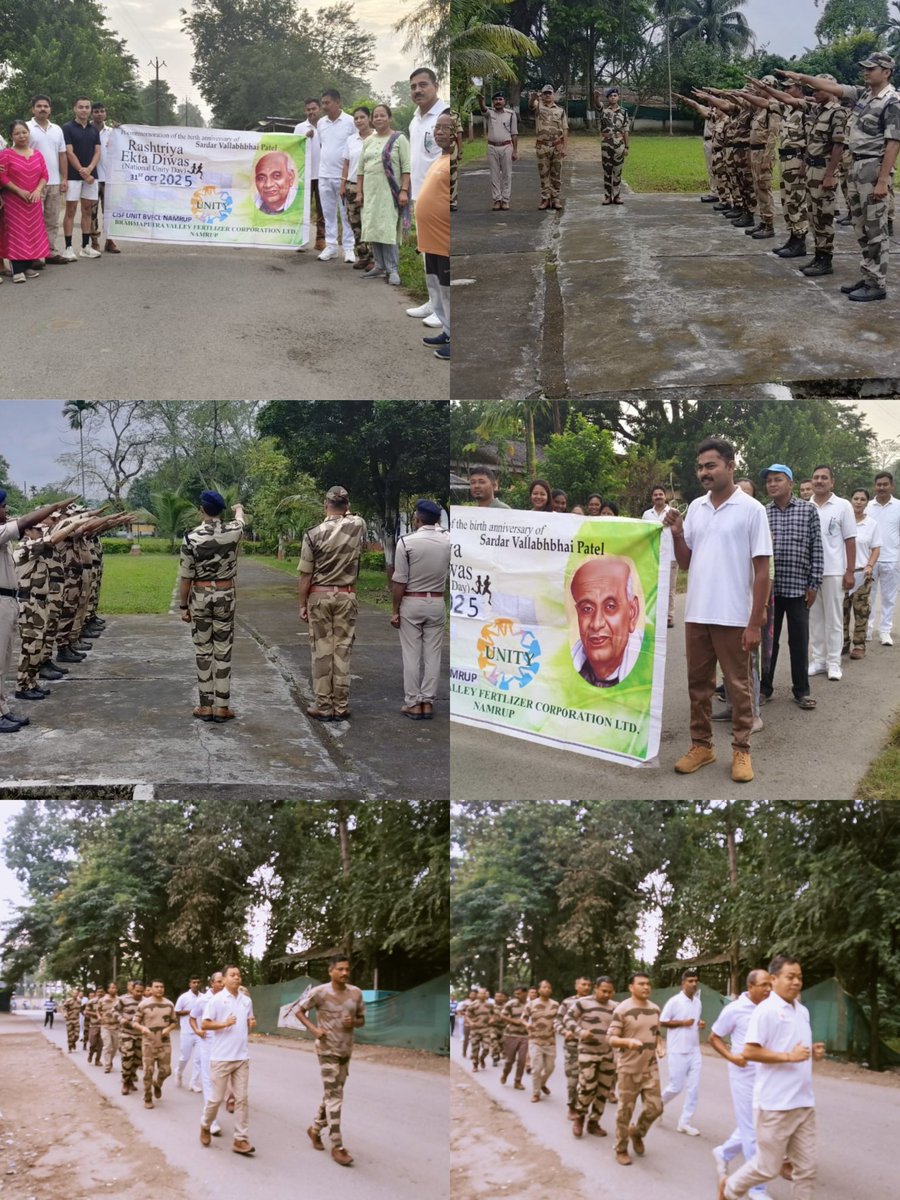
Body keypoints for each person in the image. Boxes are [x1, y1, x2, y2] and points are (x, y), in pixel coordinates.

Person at [664, 437, 772, 784]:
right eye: (700, 467)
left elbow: (761, 571)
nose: (703, 473)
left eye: (710, 465)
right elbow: (685, 562)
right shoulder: (695, 507)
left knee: (739, 686)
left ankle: (741, 749)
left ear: (730, 466)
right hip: (696, 613)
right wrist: (679, 534)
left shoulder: (751, 509)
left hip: (733, 616)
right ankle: (702, 746)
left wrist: (754, 621)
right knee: (698, 685)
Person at [779, 56, 900, 300]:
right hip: (856, 164)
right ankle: (868, 275)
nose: (866, 72)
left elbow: (893, 142)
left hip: (872, 166)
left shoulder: (892, 101)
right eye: (864, 69)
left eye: (871, 69)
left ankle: (877, 283)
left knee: (875, 227)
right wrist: (801, 77)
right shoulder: (864, 95)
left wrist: (883, 180)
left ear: (887, 72)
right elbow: (834, 88)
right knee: (860, 226)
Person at [718, 955, 826, 1200]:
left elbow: (797, 1050)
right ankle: (729, 1188)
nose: (797, 982)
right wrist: (789, 1056)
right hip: (774, 1105)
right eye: (791, 977)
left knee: (806, 1170)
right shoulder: (766, 1011)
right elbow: (749, 1051)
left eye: (799, 977)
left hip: (804, 1103)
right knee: (767, 1168)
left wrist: (813, 1054)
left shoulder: (803, 1011)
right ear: (775, 979)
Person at [0, 490, 78, 733]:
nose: (6, 510)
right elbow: (26, 524)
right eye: (3, 506)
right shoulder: (13, 539)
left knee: (3, 663)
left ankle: (2, 710)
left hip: (10, 601)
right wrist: (56, 505)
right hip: (10, 601)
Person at [297, 486, 367, 721]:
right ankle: (341, 706)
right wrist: (347, 512)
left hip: (319, 595)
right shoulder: (358, 525)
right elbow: (352, 516)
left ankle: (324, 706)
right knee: (342, 651)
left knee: (321, 652)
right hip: (347, 595)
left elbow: (305, 574)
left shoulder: (313, 533)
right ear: (347, 506)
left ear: (325, 505)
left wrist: (302, 604)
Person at [178, 491, 245, 723]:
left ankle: (205, 706)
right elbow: (240, 520)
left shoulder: (190, 538)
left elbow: (185, 577)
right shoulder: (234, 531)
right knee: (223, 650)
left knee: (203, 651)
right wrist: (239, 509)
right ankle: (222, 706)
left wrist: (183, 606)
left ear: (201, 509)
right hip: (225, 595)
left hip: (200, 596)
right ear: (221, 510)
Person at [760, 465, 823, 709]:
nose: (772, 484)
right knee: (768, 643)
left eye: (778, 480)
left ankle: (801, 690)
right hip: (769, 592)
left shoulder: (808, 511)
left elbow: (816, 548)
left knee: (799, 641)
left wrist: (814, 583)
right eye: (769, 481)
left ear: (790, 483)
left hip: (799, 588)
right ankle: (765, 688)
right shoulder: (762, 513)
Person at [295, 954, 365, 1167]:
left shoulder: (356, 993)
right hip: (326, 1050)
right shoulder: (320, 993)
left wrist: (353, 1021)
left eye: (347, 969)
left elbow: (362, 1021)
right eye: (340, 969)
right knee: (335, 1097)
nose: (345, 973)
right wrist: (314, 1029)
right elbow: (298, 1011)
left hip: (346, 1051)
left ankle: (315, 1129)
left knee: (332, 1094)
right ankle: (337, 1145)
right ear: (331, 971)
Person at [709, 969, 774, 1200]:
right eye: (764, 985)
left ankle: (723, 1152)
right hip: (743, 1076)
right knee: (751, 1131)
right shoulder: (734, 1009)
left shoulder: (771, 1007)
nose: (769, 989)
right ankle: (757, 1189)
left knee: (760, 1125)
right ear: (750, 986)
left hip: (768, 1076)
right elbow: (714, 1037)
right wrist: (731, 1057)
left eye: (770, 985)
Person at [391, 499, 449, 720]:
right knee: (433, 654)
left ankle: (413, 702)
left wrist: (395, 610)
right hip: (436, 602)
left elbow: (399, 581)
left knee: (411, 655)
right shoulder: (447, 541)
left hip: (411, 601)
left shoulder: (406, 543)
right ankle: (427, 702)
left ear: (417, 519)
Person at [407, 66, 451, 329]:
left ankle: (445, 309)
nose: (417, 90)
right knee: (427, 254)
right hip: (419, 195)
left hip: (439, 197)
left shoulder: (444, 116)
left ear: (436, 85)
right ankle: (432, 302)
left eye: (423, 85)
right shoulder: (415, 119)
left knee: (443, 256)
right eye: (413, 87)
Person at [608, 971, 665, 1167]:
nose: (646, 987)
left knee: (656, 1108)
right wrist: (627, 1041)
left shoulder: (655, 1009)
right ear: (631, 987)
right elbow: (611, 1038)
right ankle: (621, 1148)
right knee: (625, 1112)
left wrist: (660, 1046)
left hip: (650, 1067)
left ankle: (637, 1133)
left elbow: (656, 1033)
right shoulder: (622, 1009)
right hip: (628, 1069)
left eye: (648, 984)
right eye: (641, 984)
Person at [200, 965, 256, 1155]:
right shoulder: (216, 1000)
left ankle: (240, 1139)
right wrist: (224, 1023)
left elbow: (249, 1020)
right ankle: (205, 1125)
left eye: (239, 975)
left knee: (242, 1099)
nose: (237, 978)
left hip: (241, 1057)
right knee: (215, 1099)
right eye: (232, 975)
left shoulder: (246, 1001)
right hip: (221, 1058)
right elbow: (205, 1023)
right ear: (223, 980)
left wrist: (252, 1022)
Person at [808, 465, 856, 680]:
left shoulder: (843, 506)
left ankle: (834, 663)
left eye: (824, 478)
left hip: (834, 571)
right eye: (816, 477)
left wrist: (849, 571)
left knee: (834, 619)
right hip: (810, 573)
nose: (819, 481)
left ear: (832, 482)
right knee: (815, 619)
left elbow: (850, 539)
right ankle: (818, 660)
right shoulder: (805, 506)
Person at [357, 103, 410, 285]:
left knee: (387, 230)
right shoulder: (368, 141)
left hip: (390, 192)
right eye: (376, 116)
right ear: (372, 120)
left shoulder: (399, 139)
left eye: (382, 115)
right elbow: (361, 170)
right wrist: (359, 192)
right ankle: (379, 266)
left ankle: (393, 269)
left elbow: (406, 168)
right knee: (373, 229)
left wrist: (403, 190)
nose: (379, 118)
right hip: (370, 192)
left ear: (389, 118)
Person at [569, 557, 642, 687]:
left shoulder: (647, 663)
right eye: (587, 609)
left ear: (632, 612)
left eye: (610, 606)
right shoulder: (567, 665)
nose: (597, 624)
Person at [416, 112, 453, 359]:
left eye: (445, 128)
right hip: (431, 241)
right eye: (436, 127)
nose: (439, 132)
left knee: (449, 291)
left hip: (445, 240)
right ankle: (448, 330)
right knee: (437, 287)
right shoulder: (440, 158)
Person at [566, 975, 617, 1138]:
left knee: (603, 1090)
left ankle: (594, 1122)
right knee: (587, 1087)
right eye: (603, 991)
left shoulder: (616, 1007)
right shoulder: (583, 1003)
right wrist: (580, 1031)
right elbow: (567, 1018)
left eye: (610, 992)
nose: (607, 995)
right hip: (587, 1052)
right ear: (596, 989)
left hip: (608, 1053)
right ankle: (579, 1117)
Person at [0, 120, 50, 281]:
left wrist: (37, 190)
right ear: (11, 136)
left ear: (29, 133)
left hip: (33, 202)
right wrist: (19, 190)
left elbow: (44, 175)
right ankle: (17, 270)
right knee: (16, 233)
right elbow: (2, 176)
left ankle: (28, 266)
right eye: (17, 133)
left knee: (32, 232)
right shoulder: (6, 154)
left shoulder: (37, 154)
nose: (21, 136)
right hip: (14, 201)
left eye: (24, 132)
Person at [659, 968, 706, 1136]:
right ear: (683, 983)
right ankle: (657, 1106)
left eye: (695, 981)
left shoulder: (698, 1002)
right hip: (678, 1050)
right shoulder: (674, 1001)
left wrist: (699, 1023)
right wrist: (683, 1023)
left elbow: (694, 1021)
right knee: (676, 1087)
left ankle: (684, 1122)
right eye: (690, 981)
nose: (693, 984)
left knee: (693, 1089)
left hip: (694, 1050)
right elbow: (663, 1021)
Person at [27, 95, 69, 265]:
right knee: (34, 220)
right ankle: (34, 255)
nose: (42, 108)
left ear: (50, 109)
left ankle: (50, 252)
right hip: (33, 184)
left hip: (54, 181)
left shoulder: (57, 129)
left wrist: (64, 177)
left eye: (45, 106)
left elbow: (62, 154)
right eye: (39, 106)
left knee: (52, 220)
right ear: (33, 109)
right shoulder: (26, 128)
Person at [316, 89, 356, 263]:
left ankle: (348, 248)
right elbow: (322, 146)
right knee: (328, 212)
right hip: (324, 175)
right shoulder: (321, 123)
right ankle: (331, 246)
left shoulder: (350, 122)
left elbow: (354, 146)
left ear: (337, 102)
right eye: (323, 103)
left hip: (342, 177)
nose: (324, 106)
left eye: (327, 103)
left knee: (346, 214)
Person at [844, 487, 882, 659]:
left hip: (862, 574)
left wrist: (870, 565)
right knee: (841, 611)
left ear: (867, 503)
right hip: (843, 573)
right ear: (851, 500)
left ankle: (859, 645)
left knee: (861, 612)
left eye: (862, 499)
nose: (858, 502)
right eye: (856, 498)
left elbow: (875, 548)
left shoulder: (872, 524)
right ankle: (843, 642)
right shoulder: (843, 521)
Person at [61, 96, 101, 260]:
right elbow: (69, 152)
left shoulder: (94, 130)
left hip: (92, 176)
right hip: (72, 176)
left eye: (87, 107)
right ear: (74, 109)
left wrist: (90, 170)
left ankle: (85, 247)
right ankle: (68, 248)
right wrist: (82, 171)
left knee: (87, 210)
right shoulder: (67, 128)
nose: (84, 110)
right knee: (70, 211)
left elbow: (98, 151)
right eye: (81, 107)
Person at [865, 471, 900, 645]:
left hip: (892, 559)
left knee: (888, 597)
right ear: (874, 486)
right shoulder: (867, 506)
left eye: (885, 484)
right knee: (868, 597)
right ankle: (868, 629)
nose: (882, 487)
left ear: (891, 486)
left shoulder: (899, 506)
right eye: (879, 484)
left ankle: (885, 631)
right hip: (870, 560)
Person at [134, 978, 178, 1110]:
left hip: (164, 1043)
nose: (159, 989)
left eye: (161, 987)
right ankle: (148, 1097)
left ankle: (157, 1083)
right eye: (157, 987)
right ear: (151, 989)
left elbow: (174, 1022)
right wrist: (143, 1029)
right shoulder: (143, 1004)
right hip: (149, 1042)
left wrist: (168, 1029)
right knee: (148, 1071)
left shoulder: (169, 1004)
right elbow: (135, 1022)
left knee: (166, 1071)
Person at [340, 106, 374, 271]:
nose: (359, 121)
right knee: (355, 222)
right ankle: (362, 256)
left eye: (362, 117)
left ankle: (375, 258)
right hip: (352, 186)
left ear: (369, 118)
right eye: (356, 118)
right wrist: (343, 184)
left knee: (371, 222)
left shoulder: (377, 137)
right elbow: (346, 163)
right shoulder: (351, 140)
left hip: (372, 185)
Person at [191, 972, 224, 1136]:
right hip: (207, 1044)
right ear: (212, 983)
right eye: (219, 981)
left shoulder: (229, 998)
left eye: (223, 981)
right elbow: (192, 1018)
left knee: (220, 1082)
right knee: (209, 1080)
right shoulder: (202, 1000)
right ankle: (212, 1121)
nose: (222, 984)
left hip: (224, 1044)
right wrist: (198, 1030)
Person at [555, 976, 593, 1120]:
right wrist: (565, 1032)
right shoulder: (567, 1002)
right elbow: (557, 1021)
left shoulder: (594, 1002)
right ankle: (572, 1107)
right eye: (583, 984)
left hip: (590, 1046)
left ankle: (583, 1107)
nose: (586, 987)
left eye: (589, 984)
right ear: (576, 986)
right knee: (573, 1079)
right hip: (572, 1046)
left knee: (589, 1080)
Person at [643, 485, 678, 629]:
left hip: (670, 555)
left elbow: (679, 532)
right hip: (652, 556)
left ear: (666, 496)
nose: (658, 496)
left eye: (660, 494)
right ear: (652, 498)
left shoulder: (673, 513)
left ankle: (669, 617)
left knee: (669, 589)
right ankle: (653, 616)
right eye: (655, 494)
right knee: (653, 588)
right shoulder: (646, 514)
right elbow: (643, 535)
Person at [477, 91, 518, 210]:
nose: (498, 102)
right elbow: (483, 109)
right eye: (496, 100)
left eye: (500, 99)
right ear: (493, 102)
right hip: (492, 147)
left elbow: (514, 133)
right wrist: (481, 101)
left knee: (507, 174)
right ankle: (497, 199)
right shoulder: (490, 113)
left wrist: (515, 151)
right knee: (494, 175)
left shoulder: (511, 114)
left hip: (506, 147)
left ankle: (505, 200)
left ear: (504, 101)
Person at [294, 97, 325, 251]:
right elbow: (294, 149)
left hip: (322, 174)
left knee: (322, 208)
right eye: (308, 109)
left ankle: (321, 240)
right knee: (303, 208)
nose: (311, 112)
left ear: (319, 109)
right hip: (305, 175)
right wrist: (305, 138)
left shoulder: (325, 126)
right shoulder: (300, 127)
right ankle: (302, 240)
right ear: (305, 111)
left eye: (314, 109)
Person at [531, 85, 568, 210]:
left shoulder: (560, 110)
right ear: (542, 95)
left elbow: (565, 129)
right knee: (543, 173)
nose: (547, 95)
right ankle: (545, 198)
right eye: (545, 93)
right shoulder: (539, 107)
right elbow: (532, 105)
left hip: (557, 145)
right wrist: (533, 98)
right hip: (542, 146)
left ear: (553, 95)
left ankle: (555, 198)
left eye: (549, 93)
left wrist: (564, 147)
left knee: (556, 173)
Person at [89, 102, 119, 253]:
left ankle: (110, 240)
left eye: (102, 111)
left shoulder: (113, 132)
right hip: (92, 178)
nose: (99, 114)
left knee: (108, 211)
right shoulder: (86, 130)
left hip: (109, 178)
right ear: (91, 113)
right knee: (91, 212)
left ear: (105, 113)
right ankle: (94, 241)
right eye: (96, 111)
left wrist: (123, 131)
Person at [524, 979, 558, 1102]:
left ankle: (542, 1084)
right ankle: (536, 1093)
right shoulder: (531, 1004)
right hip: (535, 1041)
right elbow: (523, 1018)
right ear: (539, 990)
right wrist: (526, 1025)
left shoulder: (555, 1004)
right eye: (544, 987)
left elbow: (559, 1021)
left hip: (550, 1042)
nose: (546, 989)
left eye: (549, 987)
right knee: (536, 1068)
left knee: (550, 1068)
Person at [597, 87, 629, 205]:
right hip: (607, 143)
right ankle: (607, 196)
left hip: (619, 143)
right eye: (611, 96)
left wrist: (627, 147)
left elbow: (626, 130)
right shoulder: (604, 111)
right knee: (607, 171)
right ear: (608, 98)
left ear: (618, 97)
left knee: (617, 171)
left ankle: (617, 196)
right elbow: (597, 105)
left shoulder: (624, 112)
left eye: (615, 95)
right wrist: (596, 97)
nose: (613, 97)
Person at [175, 975, 203, 1089]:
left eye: (198, 982)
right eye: (194, 982)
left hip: (200, 1032)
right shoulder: (184, 997)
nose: (196, 984)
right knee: (185, 1057)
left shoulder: (204, 997)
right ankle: (179, 1072)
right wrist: (190, 1012)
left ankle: (193, 1083)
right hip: (187, 1031)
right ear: (190, 984)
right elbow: (176, 1011)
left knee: (199, 1059)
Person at [499, 985, 530, 1090]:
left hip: (525, 1035)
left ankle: (517, 1081)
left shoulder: (531, 1004)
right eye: (515, 994)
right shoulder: (511, 1003)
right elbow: (502, 1016)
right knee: (510, 1061)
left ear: (525, 993)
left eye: (519, 993)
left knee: (522, 1060)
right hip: (511, 1035)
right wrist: (515, 1021)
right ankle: (505, 1074)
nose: (517, 996)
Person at [118, 980, 144, 1097]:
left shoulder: (145, 1002)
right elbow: (114, 1011)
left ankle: (130, 1078)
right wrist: (120, 1019)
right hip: (126, 1033)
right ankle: (125, 1082)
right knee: (128, 1056)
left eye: (141, 991)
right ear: (132, 989)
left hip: (140, 1034)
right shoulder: (124, 1000)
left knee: (137, 1060)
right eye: (137, 991)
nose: (139, 993)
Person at [252, 150, 298, 214]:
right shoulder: (252, 203)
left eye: (276, 176)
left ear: (291, 177)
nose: (268, 185)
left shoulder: (299, 204)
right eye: (261, 178)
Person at [465, 986, 492, 1071]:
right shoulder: (473, 1004)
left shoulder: (490, 1004)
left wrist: (492, 1019)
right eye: (480, 993)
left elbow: (495, 1014)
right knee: (475, 1048)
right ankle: (475, 1065)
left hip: (486, 1030)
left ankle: (482, 1058)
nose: (482, 995)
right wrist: (471, 1023)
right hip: (475, 1029)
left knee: (486, 1048)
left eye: (484, 993)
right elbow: (466, 1016)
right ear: (477, 995)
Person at [97, 981, 121, 1074]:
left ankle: (110, 1061)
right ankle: (107, 1065)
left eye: (115, 988)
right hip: (105, 1026)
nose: (113, 989)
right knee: (107, 1046)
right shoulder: (102, 1000)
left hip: (116, 1027)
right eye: (111, 988)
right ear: (108, 989)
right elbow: (97, 1010)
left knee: (115, 1047)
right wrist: (99, 1016)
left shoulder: (120, 1000)